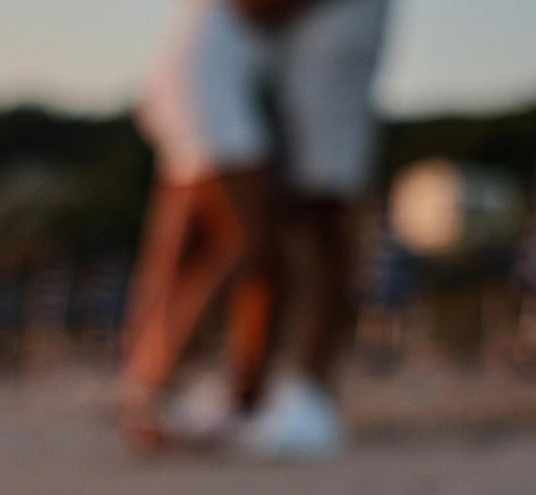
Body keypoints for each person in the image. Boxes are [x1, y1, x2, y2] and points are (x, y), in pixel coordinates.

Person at [121, 0, 390, 457]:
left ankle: (178, 388)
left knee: (199, 247)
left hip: (203, 81)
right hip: (210, 88)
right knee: (249, 245)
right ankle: (160, 389)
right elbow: (257, 9)